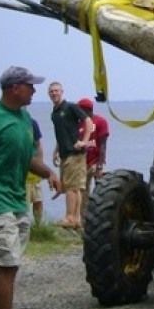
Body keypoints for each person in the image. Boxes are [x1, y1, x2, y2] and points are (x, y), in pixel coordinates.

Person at [0, 66, 61, 309]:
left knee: (10, 264)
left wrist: (50, 173)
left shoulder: (24, 118)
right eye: (30, 85)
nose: (34, 90)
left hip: (16, 199)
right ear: (15, 88)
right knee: (7, 265)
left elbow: (29, 157)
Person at [48, 82, 93, 229]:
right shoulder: (54, 113)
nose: (54, 93)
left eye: (57, 91)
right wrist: (56, 150)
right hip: (65, 153)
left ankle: (70, 217)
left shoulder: (70, 107)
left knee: (71, 187)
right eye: (52, 91)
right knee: (73, 187)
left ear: (62, 92)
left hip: (75, 153)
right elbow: (61, 134)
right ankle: (76, 219)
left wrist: (84, 141)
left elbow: (88, 121)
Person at [77, 98, 109, 224]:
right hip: (82, 162)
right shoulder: (79, 123)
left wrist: (100, 165)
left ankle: (101, 220)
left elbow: (103, 144)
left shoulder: (100, 121)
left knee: (100, 193)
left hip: (96, 161)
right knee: (83, 194)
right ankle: (84, 222)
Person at [25, 118, 45, 225]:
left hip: (35, 168)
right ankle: (24, 225)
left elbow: (38, 144)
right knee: (24, 202)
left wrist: (41, 164)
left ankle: (38, 226)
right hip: (22, 170)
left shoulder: (32, 122)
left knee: (38, 200)